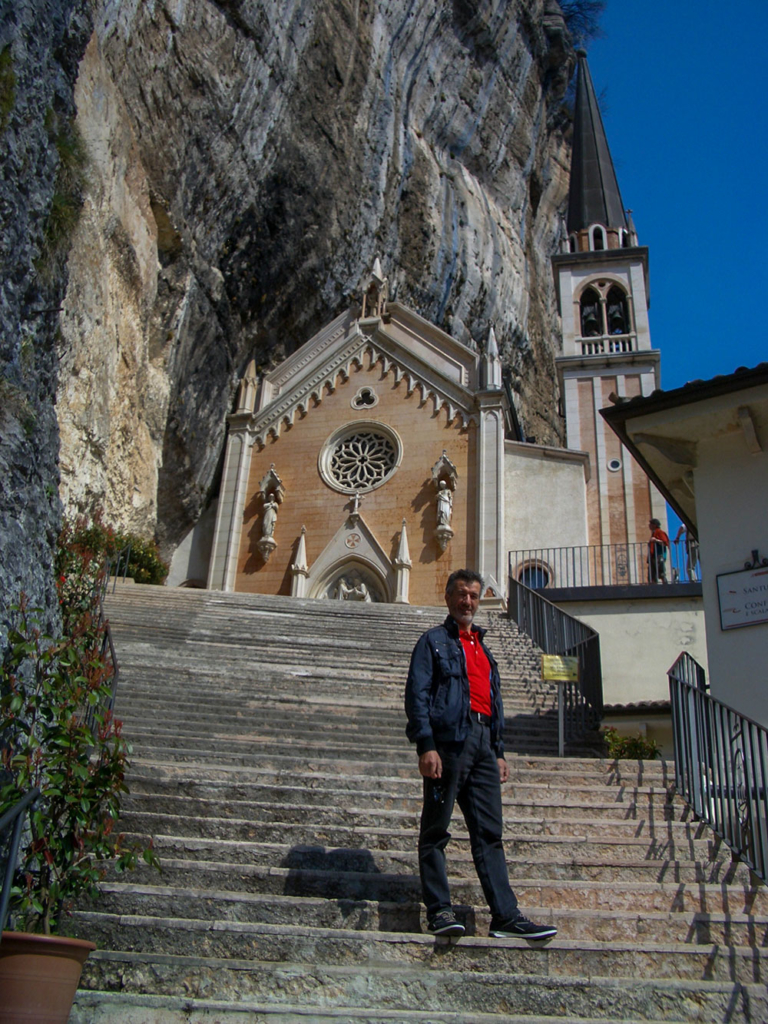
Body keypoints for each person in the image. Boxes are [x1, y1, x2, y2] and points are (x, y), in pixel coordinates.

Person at [404, 568, 557, 941]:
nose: (467, 601)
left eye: (473, 595)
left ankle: (505, 916)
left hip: (483, 743)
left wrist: (499, 750)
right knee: (436, 830)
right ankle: (440, 910)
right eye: (460, 594)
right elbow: (417, 694)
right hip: (448, 744)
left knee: (490, 833)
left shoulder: (484, 650)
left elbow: (495, 703)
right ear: (448, 598)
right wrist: (426, 744)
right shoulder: (433, 642)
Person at [648, 518, 670, 583]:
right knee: (652, 574)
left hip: (659, 555)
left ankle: (665, 586)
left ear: (654, 525)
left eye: (650, 524)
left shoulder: (660, 532)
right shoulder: (654, 533)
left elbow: (665, 542)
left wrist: (656, 540)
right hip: (653, 556)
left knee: (661, 572)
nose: (649, 526)